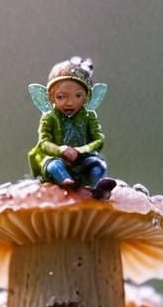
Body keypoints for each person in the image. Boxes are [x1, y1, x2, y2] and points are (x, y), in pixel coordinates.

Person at [27, 57, 117, 200]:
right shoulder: (49, 117)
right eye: (61, 97)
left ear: (87, 97)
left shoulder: (88, 116)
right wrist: (61, 150)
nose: (70, 102)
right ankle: (66, 183)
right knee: (54, 166)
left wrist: (81, 150)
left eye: (78, 96)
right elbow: (44, 143)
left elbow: (99, 140)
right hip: (58, 159)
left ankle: (96, 190)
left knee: (98, 167)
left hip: (83, 160)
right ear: (51, 98)